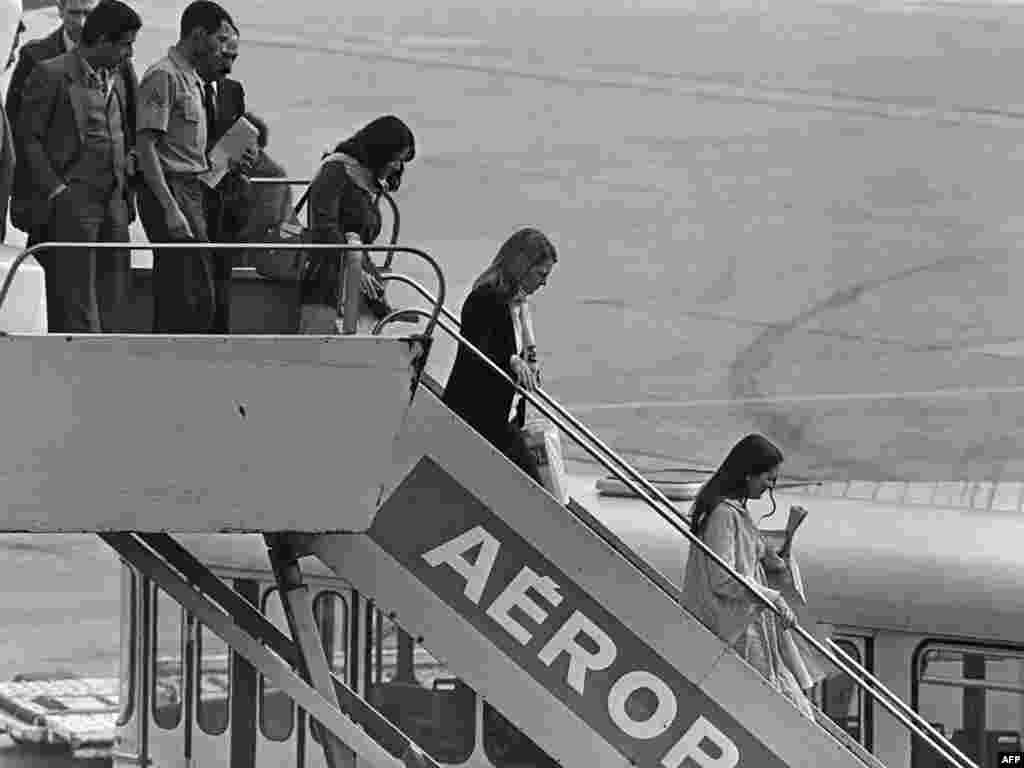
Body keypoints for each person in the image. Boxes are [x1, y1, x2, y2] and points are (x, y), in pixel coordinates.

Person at [16, 0, 140, 332]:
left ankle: (111, 362)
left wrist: (128, 173)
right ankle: (80, 367)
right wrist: (56, 191)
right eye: (125, 45)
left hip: (114, 200)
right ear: (102, 41)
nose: (130, 53)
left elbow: (129, 128)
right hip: (73, 201)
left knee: (115, 294)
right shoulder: (50, 72)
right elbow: (28, 139)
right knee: (76, 299)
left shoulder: (120, 73)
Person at [682, 433, 816, 719]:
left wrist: (772, 555)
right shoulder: (723, 515)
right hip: (739, 633)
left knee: (792, 707)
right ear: (747, 474)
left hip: (750, 629)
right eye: (768, 478)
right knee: (784, 712)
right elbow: (723, 577)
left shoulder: (732, 512)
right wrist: (774, 597)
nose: (771, 487)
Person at [135, 0, 234, 333]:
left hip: (192, 189)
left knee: (195, 287)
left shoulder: (190, 76)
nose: (223, 48)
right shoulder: (163, 75)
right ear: (197, 34)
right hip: (172, 188)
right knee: (185, 289)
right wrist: (169, 207)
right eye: (219, 40)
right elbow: (146, 146)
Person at [442, 228, 557, 484]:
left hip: (506, 417)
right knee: (534, 491)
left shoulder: (518, 306)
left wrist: (522, 361)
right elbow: (477, 350)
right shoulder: (484, 298)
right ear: (522, 266)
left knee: (532, 489)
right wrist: (512, 360)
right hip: (482, 418)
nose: (544, 283)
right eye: (541, 274)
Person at [297, 115, 414, 334]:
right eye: (395, 158)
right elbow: (323, 227)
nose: (397, 166)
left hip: (356, 277)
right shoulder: (336, 170)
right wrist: (353, 270)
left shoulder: (363, 178)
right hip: (329, 281)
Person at [198, 23, 260, 332]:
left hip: (226, 198)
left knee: (223, 283)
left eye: (234, 57)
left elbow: (240, 135)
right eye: (225, 55)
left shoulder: (232, 90)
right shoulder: (186, 83)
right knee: (194, 285)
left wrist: (248, 155)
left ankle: (219, 339)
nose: (229, 65)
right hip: (193, 195)